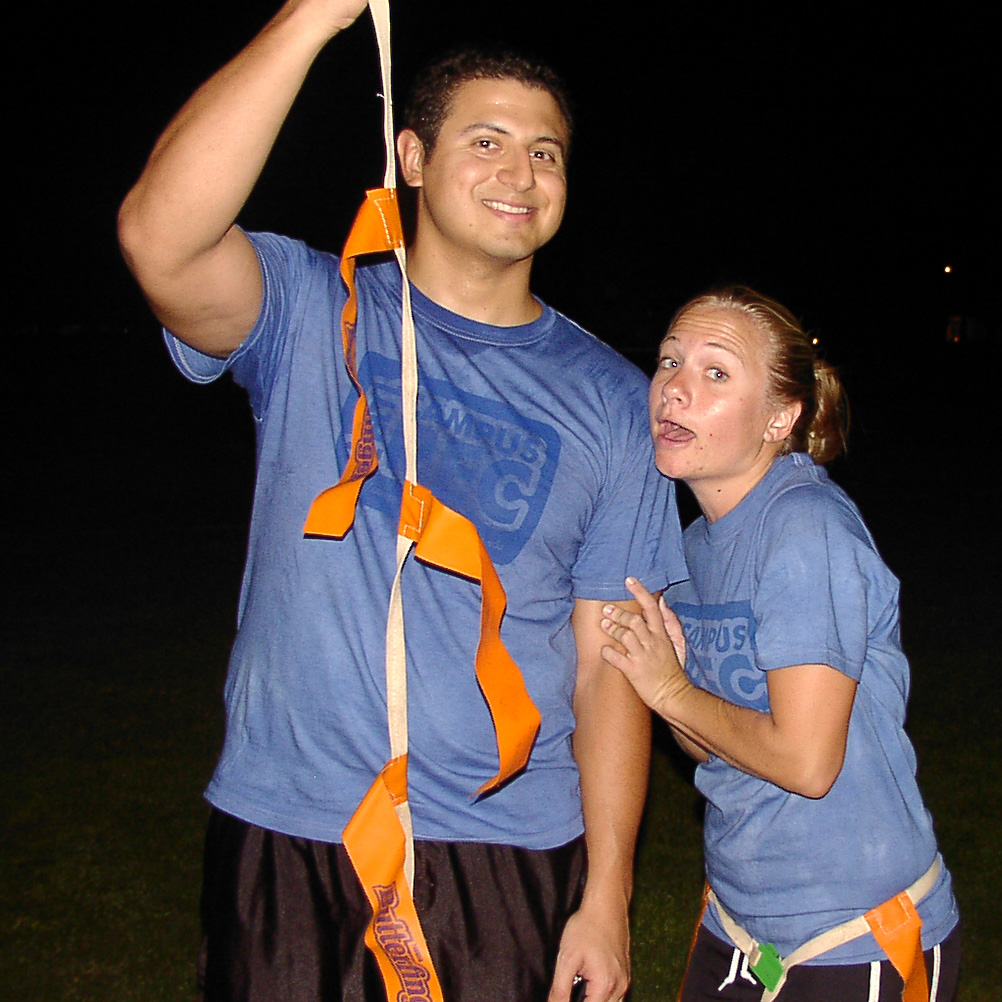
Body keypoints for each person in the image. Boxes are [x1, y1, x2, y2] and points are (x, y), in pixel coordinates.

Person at [117, 2, 685, 1000]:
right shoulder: (310, 308)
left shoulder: (614, 403)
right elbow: (158, 238)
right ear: (412, 157)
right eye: (489, 141)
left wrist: (607, 897)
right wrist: (308, 20)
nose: (523, 173)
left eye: (547, 153)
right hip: (294, 831)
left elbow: (609, 672)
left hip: (502, 848)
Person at [599, 287, 960, 1001]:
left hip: (855, 936)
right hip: (740, 920)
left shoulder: (805, 528)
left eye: (716, 373)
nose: (675, 388)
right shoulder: (696, 548)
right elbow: (715, 746)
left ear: (779, 417)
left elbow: (805, 761)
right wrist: (671, 688)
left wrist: (672, 690)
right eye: (670, 361)